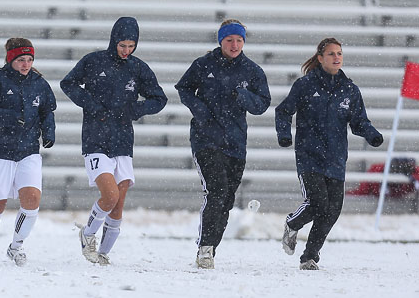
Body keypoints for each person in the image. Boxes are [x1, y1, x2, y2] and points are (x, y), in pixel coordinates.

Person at [61, 17, 167, 265]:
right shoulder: (93, 61)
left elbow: (159, 99)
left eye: (131, 46)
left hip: (123, 141)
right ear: (113, 41)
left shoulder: (138, 68)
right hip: (95, 139)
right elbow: (68, 83)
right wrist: (92, 106)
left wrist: (136, 110)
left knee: (118, 205)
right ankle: (87, 235)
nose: (126, 50)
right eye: (122, 45)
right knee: (109, 196)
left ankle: (103, 254)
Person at [275, 37, 383, 270]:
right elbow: (283, 111)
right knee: (318, 203)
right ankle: (293, 223)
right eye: (332, 54)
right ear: (320, 58)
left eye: (339, 53)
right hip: (309, 155)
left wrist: (372, 135)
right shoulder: (305, 85)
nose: (337, 57)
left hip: (336, 157)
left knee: (333, 210)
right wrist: (284, 135)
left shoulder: (350, 89)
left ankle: (309, 257)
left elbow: (359, 121)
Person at [175, 19, 271, 269]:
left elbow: (262, 104)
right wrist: (200, 110)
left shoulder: (252, 70)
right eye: (229, 40)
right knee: (216, 191)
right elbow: (184, 88)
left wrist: (243, 95)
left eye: (239, 40)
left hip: (235, 142)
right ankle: (205, 248)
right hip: (206, 139)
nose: (234, 45)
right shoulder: (203, 64)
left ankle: (211, 249)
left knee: (226, 199)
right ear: (221, 41)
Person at [0, 38, 56, 266]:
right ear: (10, 59)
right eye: (21, 60)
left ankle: (16, 246)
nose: (26, 64)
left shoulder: (39, 83)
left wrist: (49, 132)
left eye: (29, 59)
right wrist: (8, 117)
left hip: (28, 151)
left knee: (32, 200)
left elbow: (47, 111)